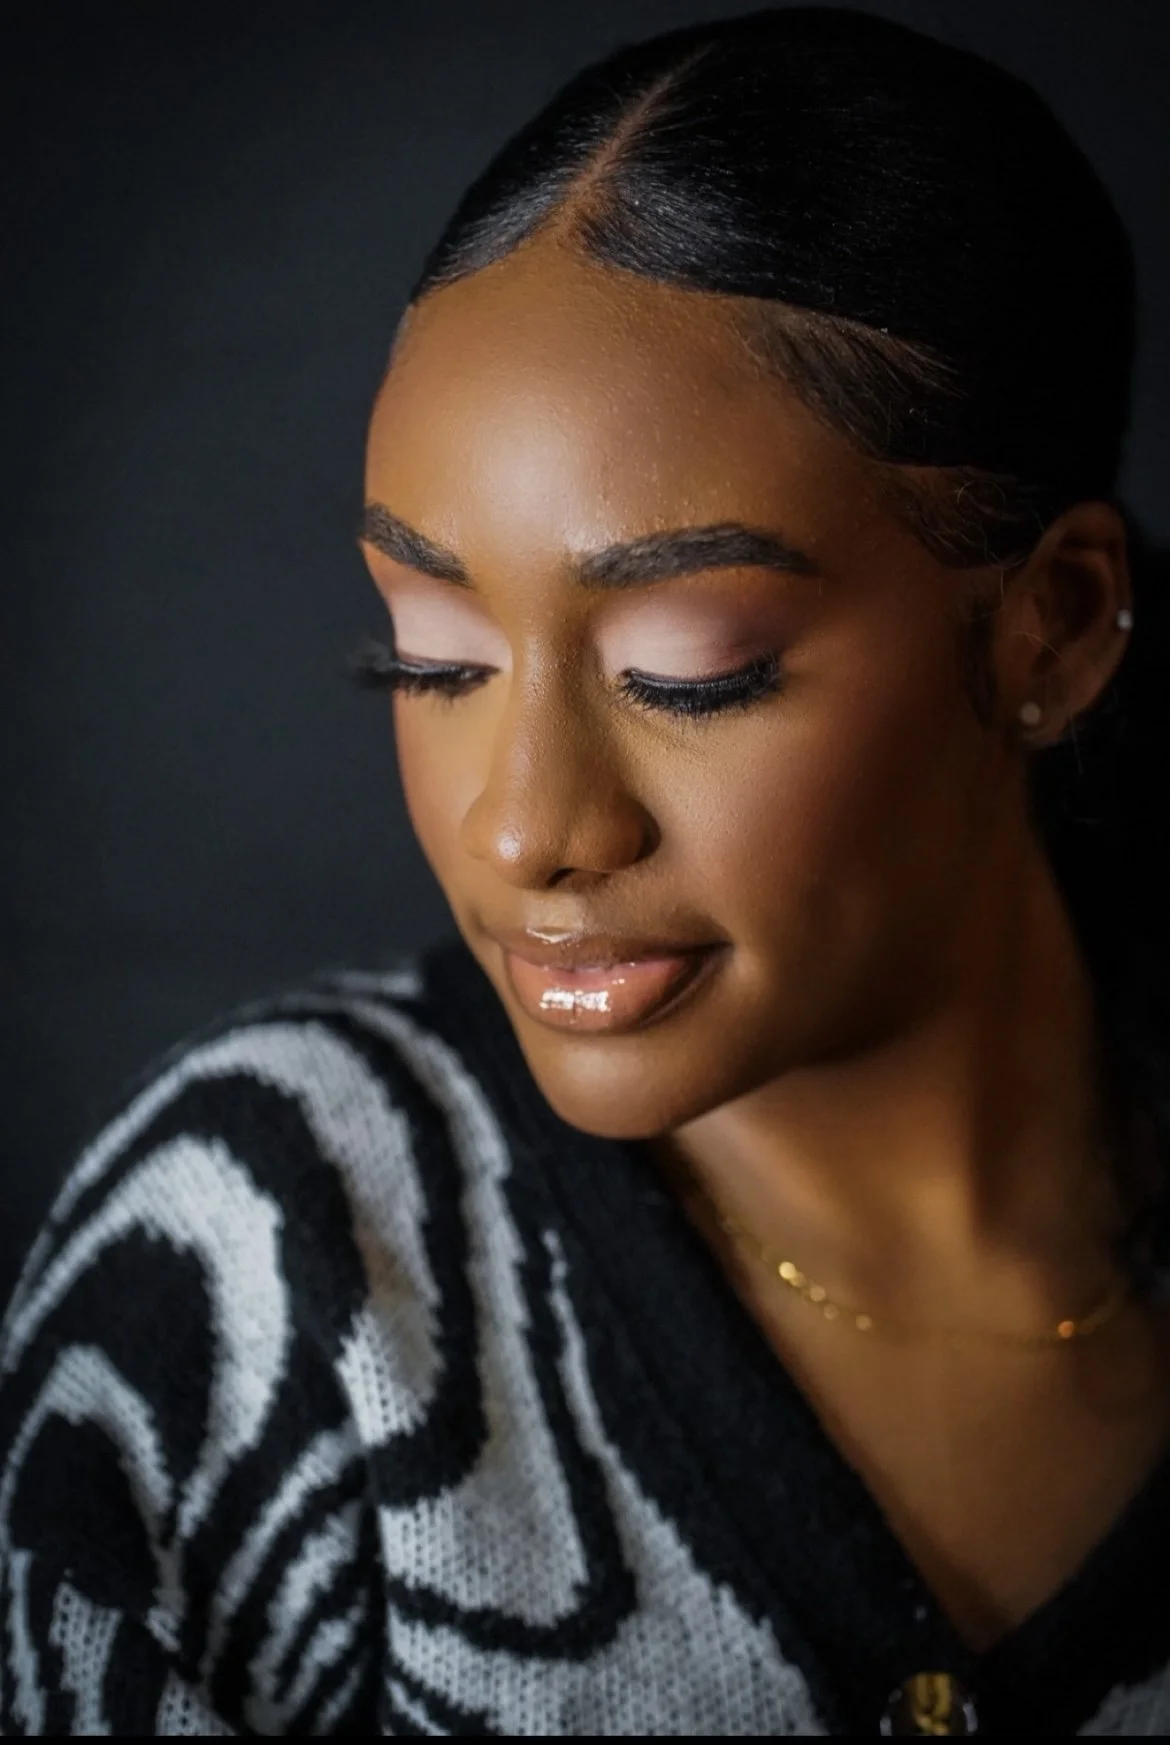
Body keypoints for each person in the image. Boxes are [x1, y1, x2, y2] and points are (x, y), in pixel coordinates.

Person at [2, 4, 1169, 1735]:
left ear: (1051, 630)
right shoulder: (250, 1269)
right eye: (434, 657)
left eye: (687, 666)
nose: (525, 826)